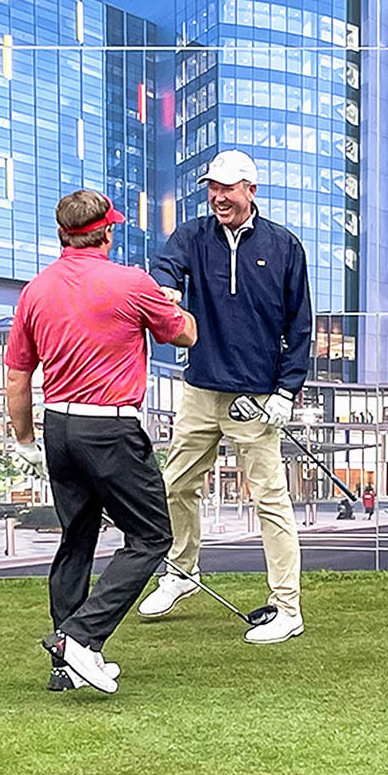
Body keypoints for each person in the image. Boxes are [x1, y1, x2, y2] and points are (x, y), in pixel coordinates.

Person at [5, 189, 197, 693]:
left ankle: (64, 668)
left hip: (58, 429)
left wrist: (25, 438)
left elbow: (17, 377)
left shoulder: (36, 290)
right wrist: (175, 303)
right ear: (108, 232)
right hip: (109, 428)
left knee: (77, 539)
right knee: (154, 536)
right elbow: (185, 336)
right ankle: (80, 639)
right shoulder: (131, 282)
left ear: (63, 234)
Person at [138, 149, 312, 644]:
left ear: (250, 191)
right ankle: (181, 572)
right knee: (174, 485)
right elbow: (166, 265)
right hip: (200, 390)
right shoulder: (194, 236)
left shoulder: (283, 247)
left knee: (271, 502)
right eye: (212, 188)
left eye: (228, 188)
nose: (218, 197)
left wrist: (287, 390)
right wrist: (167, 289)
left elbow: (299, 325)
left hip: (257, 398)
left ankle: (287, 608)